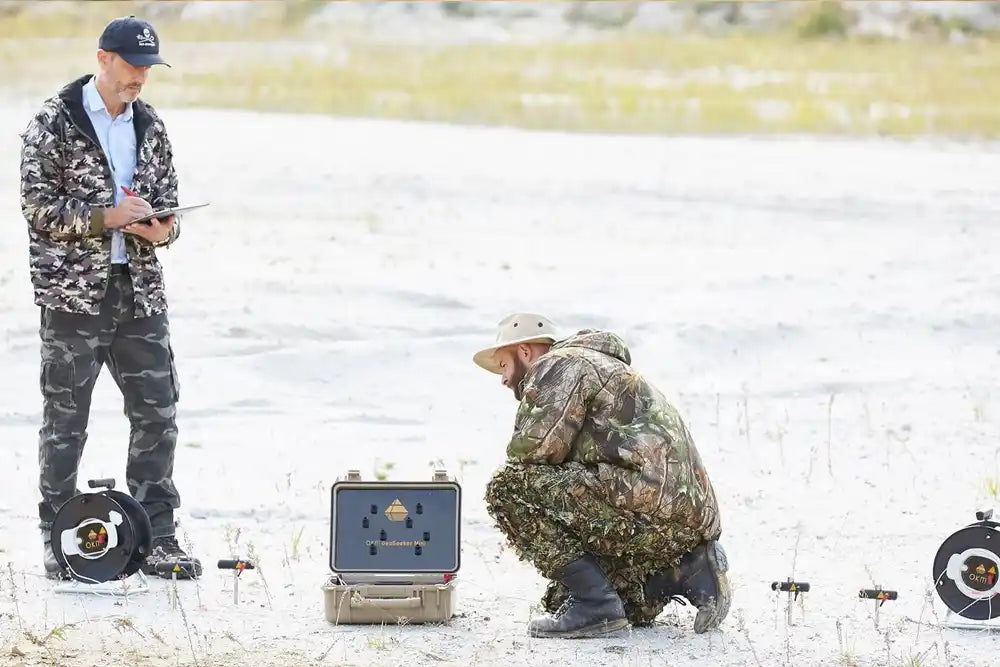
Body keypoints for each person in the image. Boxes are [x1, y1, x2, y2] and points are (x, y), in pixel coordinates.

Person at [19, 15, 202, 580]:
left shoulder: (151, 125)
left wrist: (161, 229)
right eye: (131, 66)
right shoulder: (53, 122)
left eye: (147, 69)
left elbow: (169, 208)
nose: (139, 79)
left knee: (158, 415)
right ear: (103, 58)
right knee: (65, 421)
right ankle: (61, 540)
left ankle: (158, 537)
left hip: (139, 294)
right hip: (73, 300)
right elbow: (37, 209)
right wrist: (106, 218)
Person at [475, 313, 730, 638]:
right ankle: (687, 570)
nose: (503, 379)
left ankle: (594, 605)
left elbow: (530, 453)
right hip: (682, 526)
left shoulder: (558, 364)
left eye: (503, 366)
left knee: (507, 488)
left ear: (524, 352)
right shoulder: (605, 366)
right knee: (578, 602)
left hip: (641, 505)